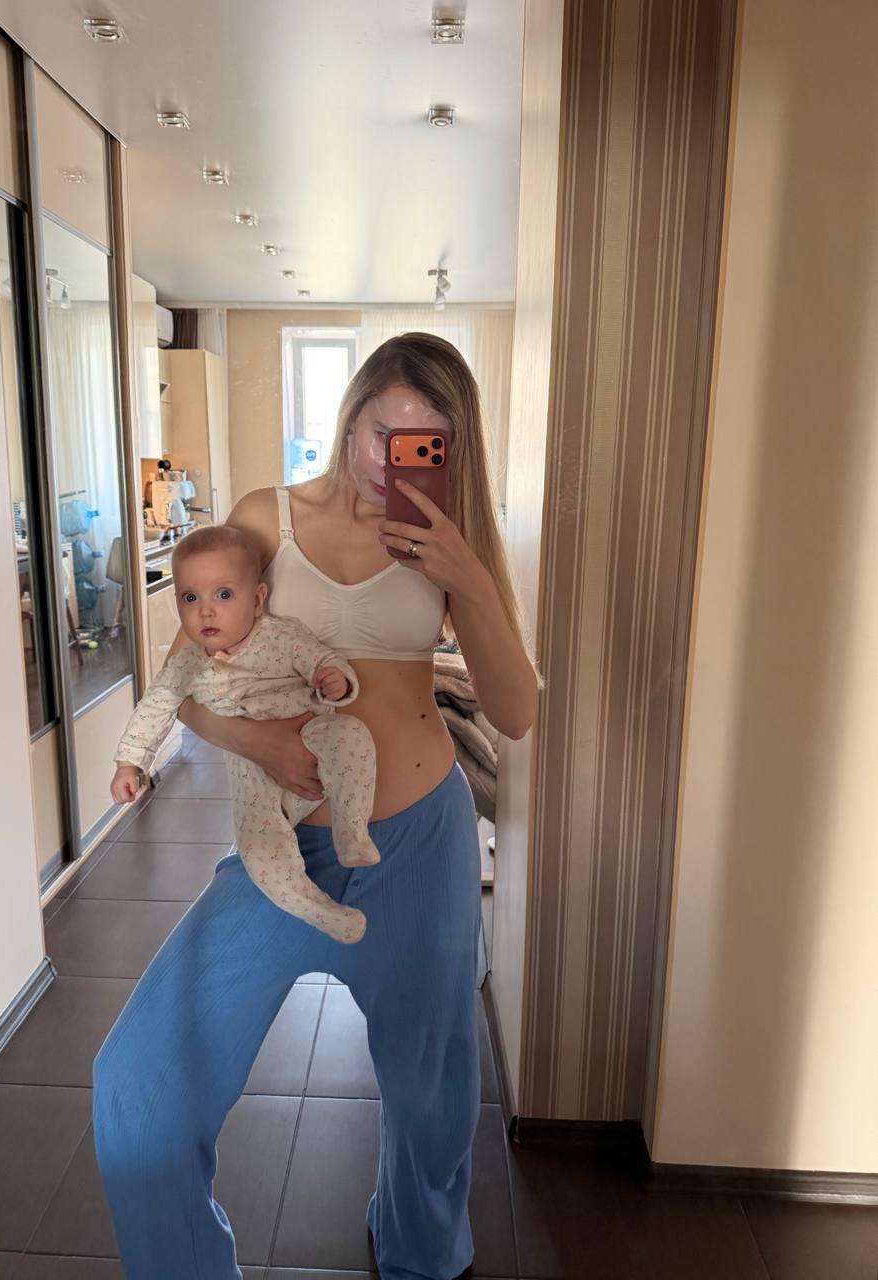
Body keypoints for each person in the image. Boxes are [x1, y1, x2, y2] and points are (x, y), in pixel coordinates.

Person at [92, 333, 542, 1280]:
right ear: (351, 414)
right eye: (383, 432)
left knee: (431, 1099)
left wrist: (465, 576)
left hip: (420, 843)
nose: (392, 462)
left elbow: (514, 711)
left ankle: (420, 1253)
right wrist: (255, 741)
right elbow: (184, 678)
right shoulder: (268, 519)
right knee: (140, 1077)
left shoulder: (448, 537)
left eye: (424, 443)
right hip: (284, 850)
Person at [109, 524, 379, 945]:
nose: (206, 611)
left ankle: (351, 831)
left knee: (351, 735)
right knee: (259, 853)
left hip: (311, 733)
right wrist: (130, 762)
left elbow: (320, 658)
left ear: (256, 599)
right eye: (190, 598)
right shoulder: (186, 665)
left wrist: (334, 679)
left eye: (223, 594)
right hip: (254, 774)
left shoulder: (281, 635)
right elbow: (155, 707)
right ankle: (325, 913)